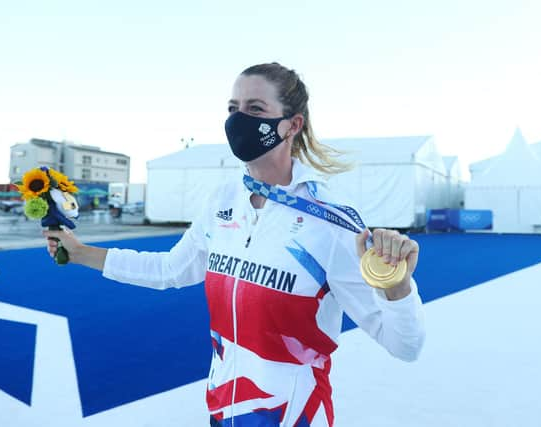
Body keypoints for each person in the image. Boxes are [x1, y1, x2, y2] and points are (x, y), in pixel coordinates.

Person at [44, 62, 425, 427]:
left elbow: (405, 345)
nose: (238, 120)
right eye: (232, 108)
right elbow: (170, 270)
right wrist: (80, 252)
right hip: (224, 406)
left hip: (293, 416)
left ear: (292, 125)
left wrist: (396, 288)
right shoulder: (223, 201)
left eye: (255, 108)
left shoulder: (331, 222)